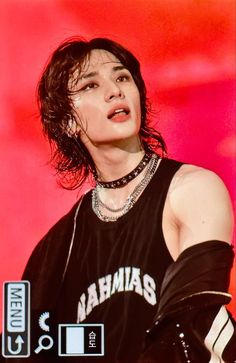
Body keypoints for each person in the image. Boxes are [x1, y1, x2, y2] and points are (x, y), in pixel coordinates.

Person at [4, 37, 236, 362]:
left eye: (122, 77)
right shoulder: (54, 249)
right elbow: (22, 346)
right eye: (90, 85)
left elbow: (191, 323)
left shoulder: (192, 190)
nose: (115, 91)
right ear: (68, 121)